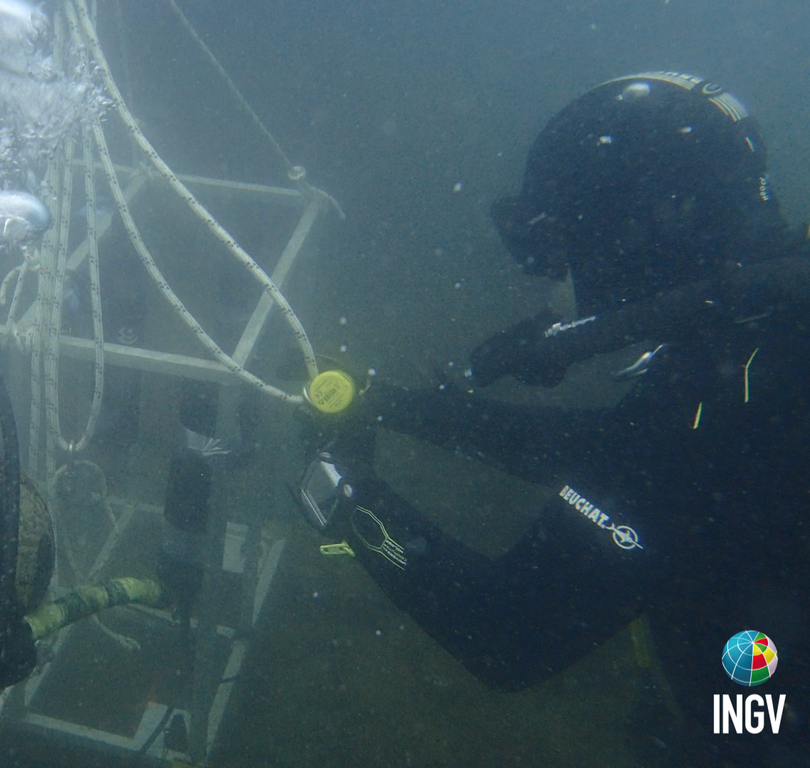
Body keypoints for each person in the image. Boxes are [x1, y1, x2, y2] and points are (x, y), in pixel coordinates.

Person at [297, 72, 810, 766]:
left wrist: (339, 491)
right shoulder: (757, 345)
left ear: (645, 224)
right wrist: (399, 407)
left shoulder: (721, 403)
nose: (547, 280)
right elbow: (608, 452)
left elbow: (508, 634)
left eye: (558, 247)